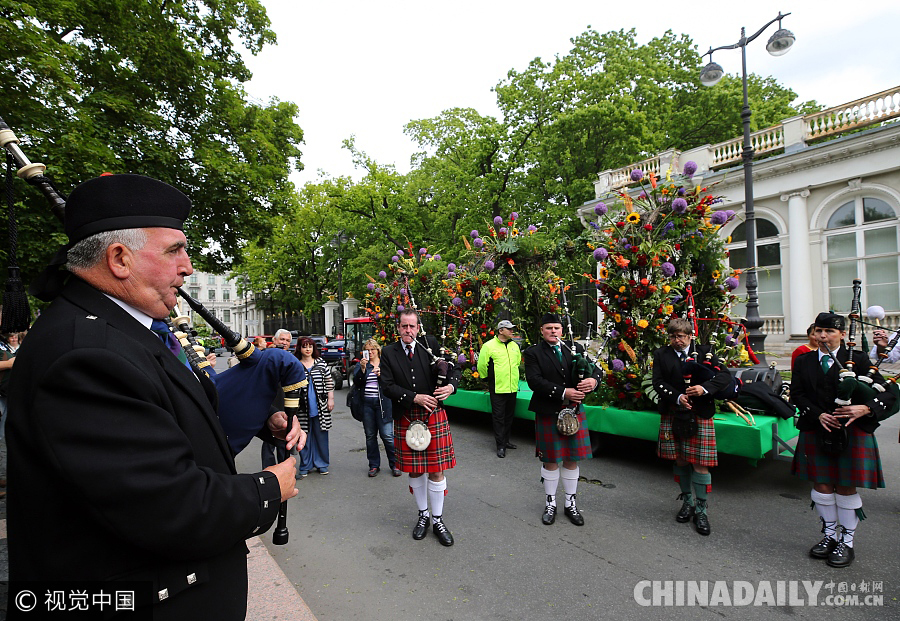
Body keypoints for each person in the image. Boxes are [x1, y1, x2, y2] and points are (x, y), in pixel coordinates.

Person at [6, 173, 302, 619]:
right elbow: (168, 506)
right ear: (119, 259)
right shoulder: (84, 355)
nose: (187, 266)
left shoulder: (122, 331)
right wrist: (266, 489)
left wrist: (265, 417)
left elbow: (174, 409)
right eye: (174, 250)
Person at [790, 311, 896, 568]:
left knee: (846, 486)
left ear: (842, 335)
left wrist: (866, 408)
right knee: (823, 484)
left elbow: (888, 393)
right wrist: (818, 415)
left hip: (852, 432)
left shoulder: (859, 360)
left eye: (829, 331)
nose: (823, 336)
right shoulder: (804, 361)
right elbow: (797, 394)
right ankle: (829, 536)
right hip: (817, 429)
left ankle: (846, 542)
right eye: (818, 331)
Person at [380, 309, 460, 547]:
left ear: (418, 327)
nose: (408, 330)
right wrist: (414, 397)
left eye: (412, 326)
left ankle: (437, 520)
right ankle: (423, 515)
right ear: (398, 328)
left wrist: (451, 388)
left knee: (436, 470)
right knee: (415, 470)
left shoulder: (430, 344)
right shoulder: (388, 352)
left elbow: (454, 368)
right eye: (404, 326)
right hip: (407, 415)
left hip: (434, 414)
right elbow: (386, 385)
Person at [651, 318, 732, 536]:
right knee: (680, 459)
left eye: (681, 336)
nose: (676, 341)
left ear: (689, 336)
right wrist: (677, 397)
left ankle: (702, 509)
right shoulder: (661, 354)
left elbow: (725, 376)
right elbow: (657, 382)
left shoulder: (704, 352)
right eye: (672, 336)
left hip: (700, 412)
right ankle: (687, 501)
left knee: (700, 463)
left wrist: (704, 389)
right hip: (674, 411)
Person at [523, 313, 600, 527]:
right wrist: (564, 392)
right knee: (550, 460)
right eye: (549, 328)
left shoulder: (574, 349)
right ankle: (550, 503)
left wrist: (593, 381)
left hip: (574, 411)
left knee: (571, 458)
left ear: (562, 331)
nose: (553, 331)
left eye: (556, 328)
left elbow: (597, 371)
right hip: (549, 410)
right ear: (542, 330)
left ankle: (570, 503)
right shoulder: (533, 353)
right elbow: (534, 381)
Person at [352, 339, 401, 477]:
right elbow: (357, 383)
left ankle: (395, 464)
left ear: (378, 350)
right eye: (367, 350)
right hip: (367, 404)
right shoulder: (362, 364)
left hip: (383, 403)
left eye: (372, 349)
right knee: (370, 436)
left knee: (387, 435)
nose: (370, 352)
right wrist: (362, 370)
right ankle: (373, 465)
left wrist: (382, 376)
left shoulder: (385, 364)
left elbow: (393, 382)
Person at [477, 319, 522, 457]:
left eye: (512, 329)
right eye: (509, 329)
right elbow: (481, 365)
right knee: (498, 418)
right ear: (501, 330)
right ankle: (500, 445)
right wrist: (486, 379)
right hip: (497, 387)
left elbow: (518, 362)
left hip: (512, 387)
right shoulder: (489, 346)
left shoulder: (515, 346)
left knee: (509, 416)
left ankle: (506, 440)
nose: (512, 331)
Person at [295, 336, 335, 477]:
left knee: (321, 435)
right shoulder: (296, 364)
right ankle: (305, 465)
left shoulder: (321, 363)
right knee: (303, 436)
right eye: (305, 346)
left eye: (310, 346)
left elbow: (329, 382)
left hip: (320, 406)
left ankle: (322, 464)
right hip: (302, 407)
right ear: (300, 348)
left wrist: (330, 399)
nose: (307, 349)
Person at [261, 328, 295, 469]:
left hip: (287, 403)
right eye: (282, 339)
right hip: (269, 404)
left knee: (284, 439)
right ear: (274, 340)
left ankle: (284, 468)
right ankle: (269, 470)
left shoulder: (293, 358)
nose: (284, 343)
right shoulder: (266, 356)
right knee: (269, 440)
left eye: (287, 340)